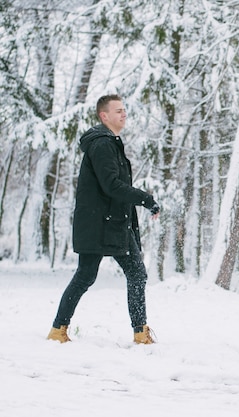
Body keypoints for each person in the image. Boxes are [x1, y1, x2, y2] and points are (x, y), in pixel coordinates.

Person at [46, 94, 160, 345]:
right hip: (102, 225)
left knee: (125, 274)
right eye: (118, 110)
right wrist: (145, 198)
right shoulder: (102, 145)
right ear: (104, 116)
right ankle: (59, 330)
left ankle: (139, 332)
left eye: (124, 110)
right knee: (98, 275)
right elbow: (112, 186)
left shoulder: (109, 143)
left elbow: (112, 187)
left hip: (109, 223)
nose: (124, 114)